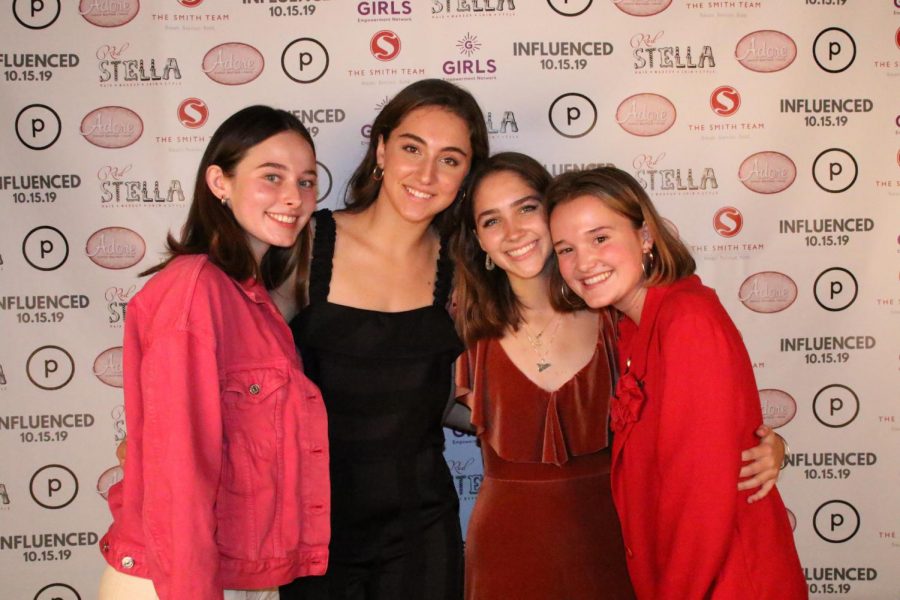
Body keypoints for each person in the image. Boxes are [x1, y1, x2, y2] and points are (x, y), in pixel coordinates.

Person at [451, 153, 788, 599]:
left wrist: (768, 447)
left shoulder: (626, 318)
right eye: (492, 220)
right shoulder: (463, 329)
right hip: (509, 553)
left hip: (623, 550)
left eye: (527, 208)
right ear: (478, 239)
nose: (513, 231)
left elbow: (699, 454)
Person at [99, 106, 330, 600]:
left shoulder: (252, 297)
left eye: (307, 181)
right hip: (178, 581)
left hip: (240, 575)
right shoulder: (194, 293)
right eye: (272, 177)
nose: (294, 197)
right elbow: (177, 476)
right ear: (219, 182)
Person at [547, 167, 807, 599]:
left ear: (645, 236)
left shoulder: (686, 320)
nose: (583, 262)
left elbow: (700, 499)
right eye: (566, 249)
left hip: (726, 583)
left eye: (600, 238)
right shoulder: (628, 326)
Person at [279, 79, 489, 600]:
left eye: (450, 159)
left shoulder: (464, 271)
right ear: (381, 150)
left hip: (422, 532)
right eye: (412, 149)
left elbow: (466, 402)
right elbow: (239, 369)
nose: (425, 174)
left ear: (467, 175)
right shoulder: (305, 245)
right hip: (314, 533)